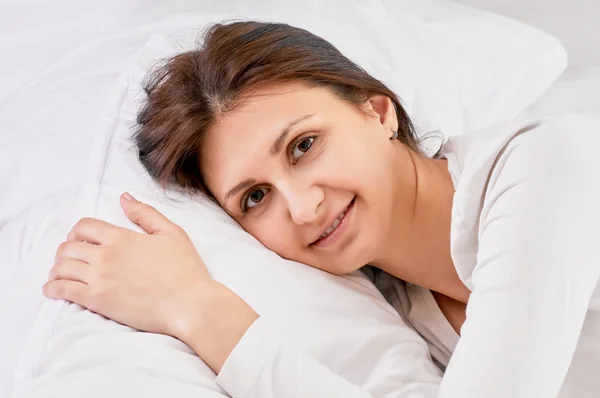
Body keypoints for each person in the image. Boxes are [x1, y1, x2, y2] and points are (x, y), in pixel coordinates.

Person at [43, 21, 600, 397]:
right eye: (255, 198)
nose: (304, 208)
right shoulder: (404, 314)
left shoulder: (544, 166)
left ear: (378, 111)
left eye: (304, 146)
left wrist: (203, 314)